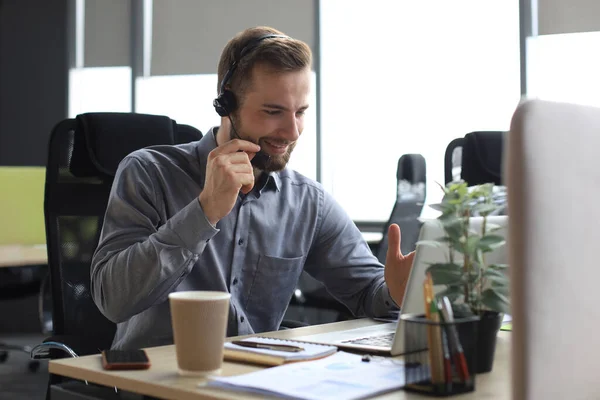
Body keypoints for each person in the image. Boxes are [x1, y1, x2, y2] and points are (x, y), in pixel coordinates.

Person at [91, 26, 415, 350]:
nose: (292, 131)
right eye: (273, 112)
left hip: (256, 383)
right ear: (227, 103)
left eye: (300, 112)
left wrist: (398, 292)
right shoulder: (149, 172)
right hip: (155, 384)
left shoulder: (307, 203)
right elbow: (112, 301)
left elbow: (369, 292)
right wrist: (204, 212)